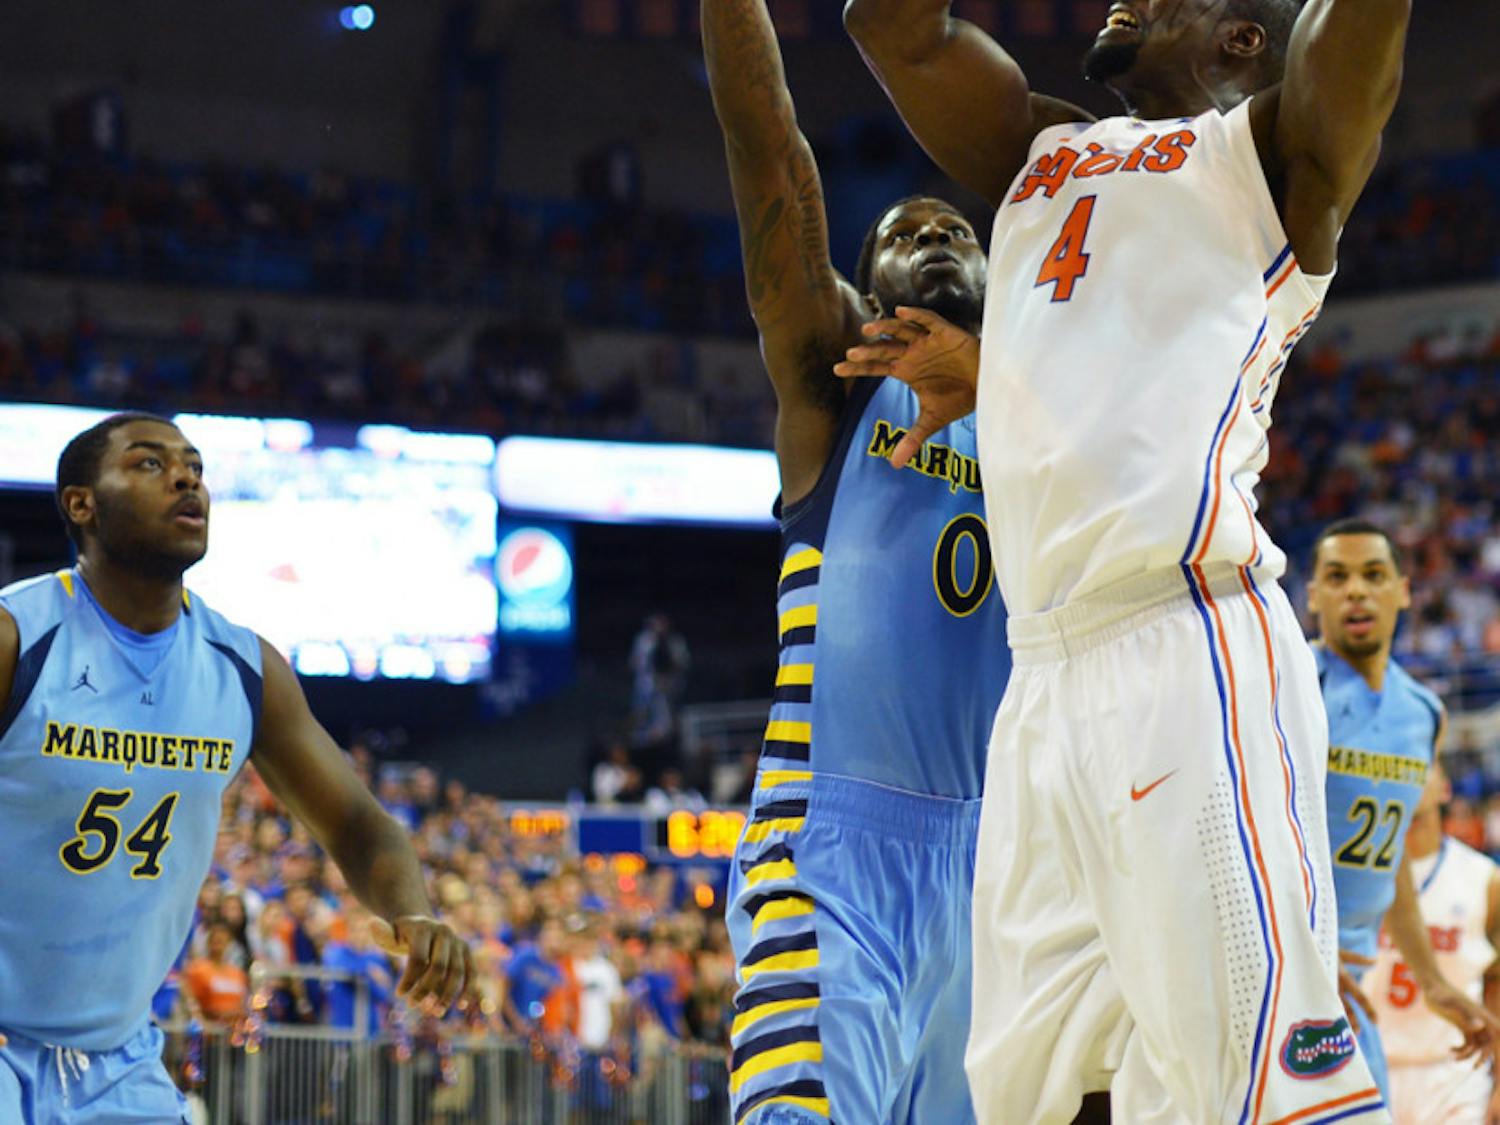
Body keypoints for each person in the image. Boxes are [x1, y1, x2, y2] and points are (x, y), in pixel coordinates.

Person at [835, 0, 1495, 1118]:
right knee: (1042, 1095)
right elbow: (890, 29)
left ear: (1241, 39)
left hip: (1184, 645)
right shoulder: (1040, 149)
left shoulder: (1270, 158)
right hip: (1041, 681)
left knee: (1262, 1082)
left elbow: (1355, 42)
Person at [703, 0, 1009, 1121]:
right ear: (868, 286)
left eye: (957, 231)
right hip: (837, 844)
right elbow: (767, 149)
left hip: (1003, 867)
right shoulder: (839, 385)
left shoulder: (1049, 407)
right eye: (904, 232)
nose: (934, 236)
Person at [0, 412, 473, 1124]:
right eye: (150, 463)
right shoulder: (20, 636)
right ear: (81, 503)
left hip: (117, 1063)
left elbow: (356, 820)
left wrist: (411, 909)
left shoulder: (245, 669)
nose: (187, 477)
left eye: (193, 465)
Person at [1307, 519, 1498, 1103]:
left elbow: (1391, 868)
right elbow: (1248, 842)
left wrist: (1436, 984)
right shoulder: (1289, 688)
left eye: (1373, 575)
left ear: (1404, 590)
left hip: (1353, 987)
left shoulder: (1422, 713)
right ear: (1313, 596)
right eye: (1336, 578)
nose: (1356, 591)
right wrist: (1297, 956)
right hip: (1284, 973)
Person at [1366, 763, 1500, 1124]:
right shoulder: (1358, 878)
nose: (1407, 775)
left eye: (1421, 768)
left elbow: (1497, 986)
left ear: (1445, 788)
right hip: (1371, 1066)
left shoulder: (1484, 879)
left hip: (1454, 1070)